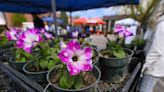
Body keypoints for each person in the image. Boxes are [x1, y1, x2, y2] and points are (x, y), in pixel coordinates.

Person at [139, 0, 164, 92]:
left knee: (145, 89)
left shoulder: (162, 25)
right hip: (158, 65)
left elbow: (156, 50)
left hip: (153, 67)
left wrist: (145, 67)